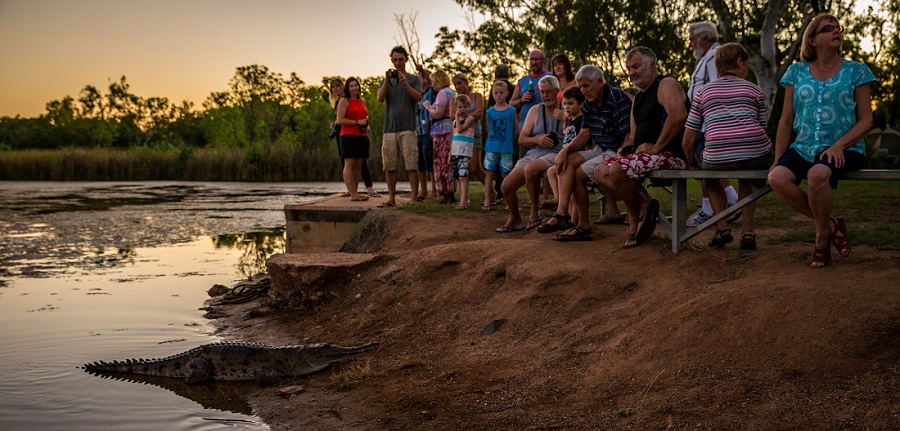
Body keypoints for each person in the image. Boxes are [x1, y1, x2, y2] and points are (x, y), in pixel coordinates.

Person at [768, 13, 875, 267]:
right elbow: (785, 120)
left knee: (817, 175)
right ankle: (829, 225)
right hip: (803, 146)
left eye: (838, 28)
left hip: (844, 147)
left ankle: (820, 241)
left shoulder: (857, 71)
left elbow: (866, 120)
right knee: (776, 178)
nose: (836, 31)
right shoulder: (796, 72)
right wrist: (777, 159)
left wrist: (839, 145)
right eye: (828, 29)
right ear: (812, 40)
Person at [595, 47, 690, 248]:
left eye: (636, 66)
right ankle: (644, 207)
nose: (631, 73)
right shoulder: (638, 98)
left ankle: (634, 219)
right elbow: (632, 135)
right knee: (600, 170)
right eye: (629, 68)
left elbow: (678, 115)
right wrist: (625, 148)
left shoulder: (666, 84)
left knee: (618, 169)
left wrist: (657, 147)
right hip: (646, 156)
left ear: (652, 65)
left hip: (671, 154)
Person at [683, 43, 773, 250]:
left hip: (717, 156)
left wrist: (693, 163)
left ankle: (722, 228)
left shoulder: (703, 93)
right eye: (746, 63)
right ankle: (748, 232)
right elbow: (762, 126)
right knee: (746, 174)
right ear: (740, 62)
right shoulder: (754, 89)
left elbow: (688, 138)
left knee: (710, 176)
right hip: (756, 153)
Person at [539, 66, 632, 241]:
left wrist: (623, 153)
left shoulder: (616, 98)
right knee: (567, 161)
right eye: (580, 87)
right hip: (601, 148)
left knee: (577, 173)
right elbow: (585, 133)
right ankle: (563, 214)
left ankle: (582, 225)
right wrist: (565, 151)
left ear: (600, 82)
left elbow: (628, 135)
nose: (583, 91)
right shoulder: (589, 102)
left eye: (586, 86)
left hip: (616, 149)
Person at [685, 21, 740, 227]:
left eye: (692, 39)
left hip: (709, 124)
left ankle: (710, 210)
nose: (690, 44)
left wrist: (711, 121)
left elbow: (719, 88)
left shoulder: (714, 58)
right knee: (704, 166)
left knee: (703, 165)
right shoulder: (705, 58)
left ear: (704, 38)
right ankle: (730, 200)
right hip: (704, 123)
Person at [495, 75, 564, 233]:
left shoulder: (565, 108)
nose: (545, 95)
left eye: (549, 91)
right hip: (534, 152)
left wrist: (565, 118)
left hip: (557, 152)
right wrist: (538, 140)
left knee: (531, 169)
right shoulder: (535, 110)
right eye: (542, 92)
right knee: (506, 186)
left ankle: (535, 210)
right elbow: (522, 138)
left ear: (557, 91)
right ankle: (516, 218)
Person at [377, 46, 423, 207]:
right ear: (392, 61)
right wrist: (386, 80)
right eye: (395, 60)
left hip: (408, 128)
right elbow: (380, 99)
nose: (398, 63)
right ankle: (391, 198)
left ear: (406, 60)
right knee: (390, 166)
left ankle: (414, 198)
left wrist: (405, 83)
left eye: (400, 59)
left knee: (411, 164)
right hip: (389, 129)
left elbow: (419, 98)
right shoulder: (386, 81)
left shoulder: (413, 79)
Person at [329, 78, 379, 197]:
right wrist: (357, 122)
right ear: (347, 88)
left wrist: (366, 125)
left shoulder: (362, 101)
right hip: (348, 135)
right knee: (348, 163)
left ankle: (357, 191)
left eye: (356, 85)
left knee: (359, 165)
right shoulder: (343, 101)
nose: (354, 88)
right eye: (351, 86)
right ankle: (353, 193)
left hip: (362, 136)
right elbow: (340, 120)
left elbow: (365, 117)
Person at [423, 70, 457, 203]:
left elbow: (438, 113)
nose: (432, 85)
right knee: (449, 160)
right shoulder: (451, 92)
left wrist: (428, 107)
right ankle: (451, 190)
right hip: (450, 128)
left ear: (438, 81)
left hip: (441, 130)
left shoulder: (442, 93)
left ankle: (444, 192)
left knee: (440, 161)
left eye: (433, 81)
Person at [510, 49, 553, 158]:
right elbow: (511, 104)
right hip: (526, 130)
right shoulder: (523, 81)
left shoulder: (550, 77)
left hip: (547, 128)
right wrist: (522, 100)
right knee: (524, 163)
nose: (534, 62)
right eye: (531, 59)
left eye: (536, 59)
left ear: (543, 60)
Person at [483, 81, 518, 211]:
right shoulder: (489, 112)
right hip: (491, 147)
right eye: (496, 93)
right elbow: (488, 128)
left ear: (507, 94)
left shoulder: (511, 110)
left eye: (501, 93)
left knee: (506, 174)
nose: (499, 95)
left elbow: (516, 129)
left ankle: (509, 201)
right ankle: (487, 199)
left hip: (506, 147)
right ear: (492, 94)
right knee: (489, 173)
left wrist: (510, 142)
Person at [452, 73, 485, 188]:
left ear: (466, 82)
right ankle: (465, 197)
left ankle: (491, 191)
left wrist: (463, 116)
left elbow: (479, 113)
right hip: (460, 136)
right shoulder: (454, 99)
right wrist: (471, 115)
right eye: (455, 84)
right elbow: (452, 116)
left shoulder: (477, 96)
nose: (457, 86)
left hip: (474, 133)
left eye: (459, 83)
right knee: (462, 167)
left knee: (475, 167)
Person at [451, 94, 477, 210]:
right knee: (458, 177)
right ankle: (463, 199)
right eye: (460, 107)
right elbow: (453, 137)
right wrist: (449, 153)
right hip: (455, 151)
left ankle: (463, 202)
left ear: (469, 107)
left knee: (463, 176)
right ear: (456, 107)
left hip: (464, 152)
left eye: (465, 107)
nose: (462, 110)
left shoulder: (470, 119)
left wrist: (456, 117)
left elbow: (461, 129)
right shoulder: (454, 123)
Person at [415, 66, 437, 201]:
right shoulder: (417, 94)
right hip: (418, 131)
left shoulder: (432, 92)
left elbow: (429, 77)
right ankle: (423, 191)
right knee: (420, 163)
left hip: (429, 131)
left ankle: (434, 191)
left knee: (430, 162)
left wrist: (423, 70)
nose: (418, 78)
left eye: (420, 77)